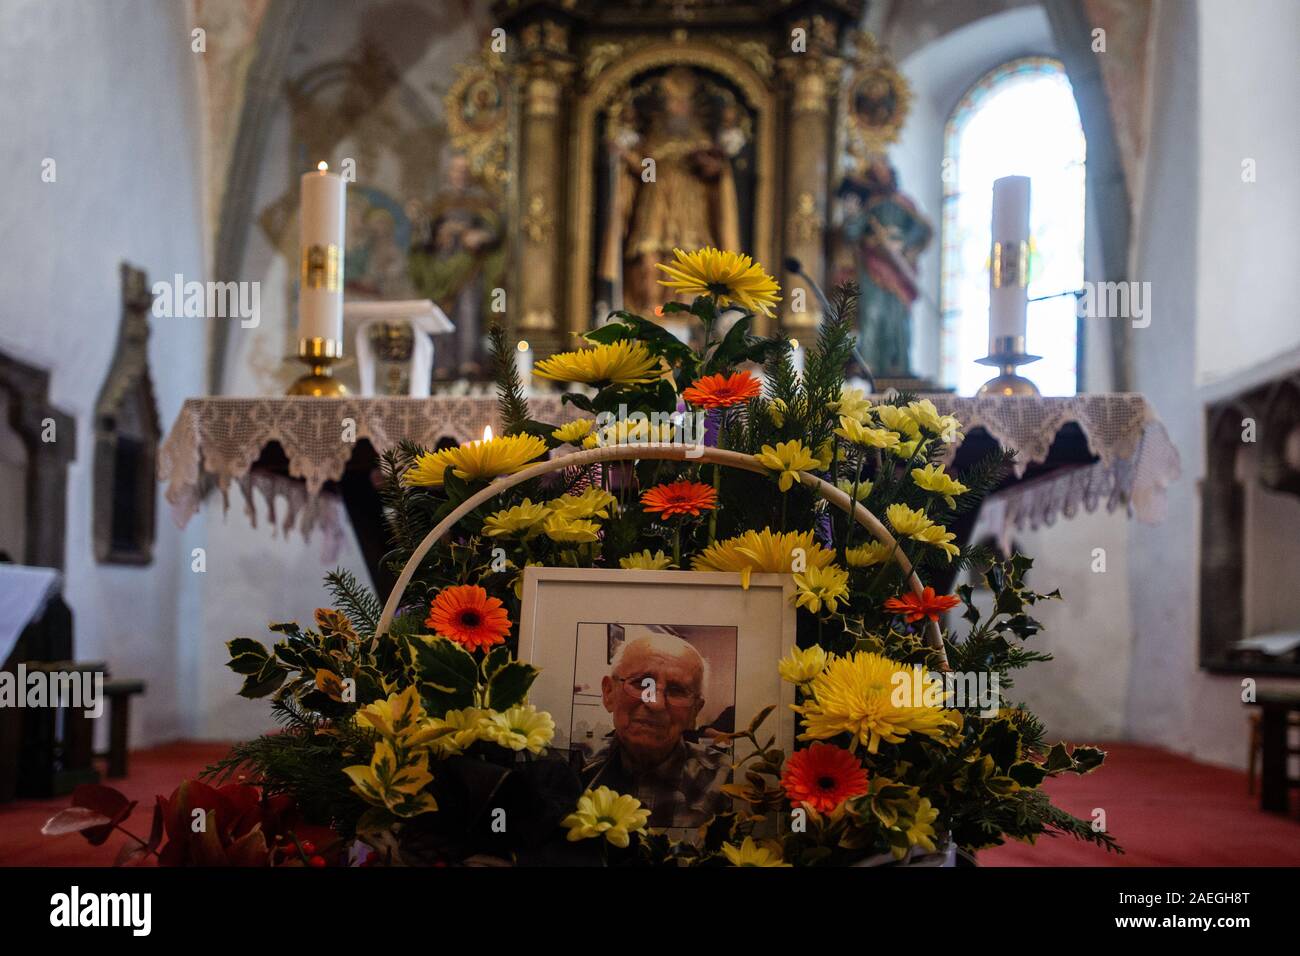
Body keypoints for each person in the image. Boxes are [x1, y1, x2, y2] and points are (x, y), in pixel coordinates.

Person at [582, 629, 731, 828]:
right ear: (609, 693)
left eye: (677, 690)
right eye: (642, 684)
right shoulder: (571, 768)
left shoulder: (728, 781)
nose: (656, 703)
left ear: (695, 710)